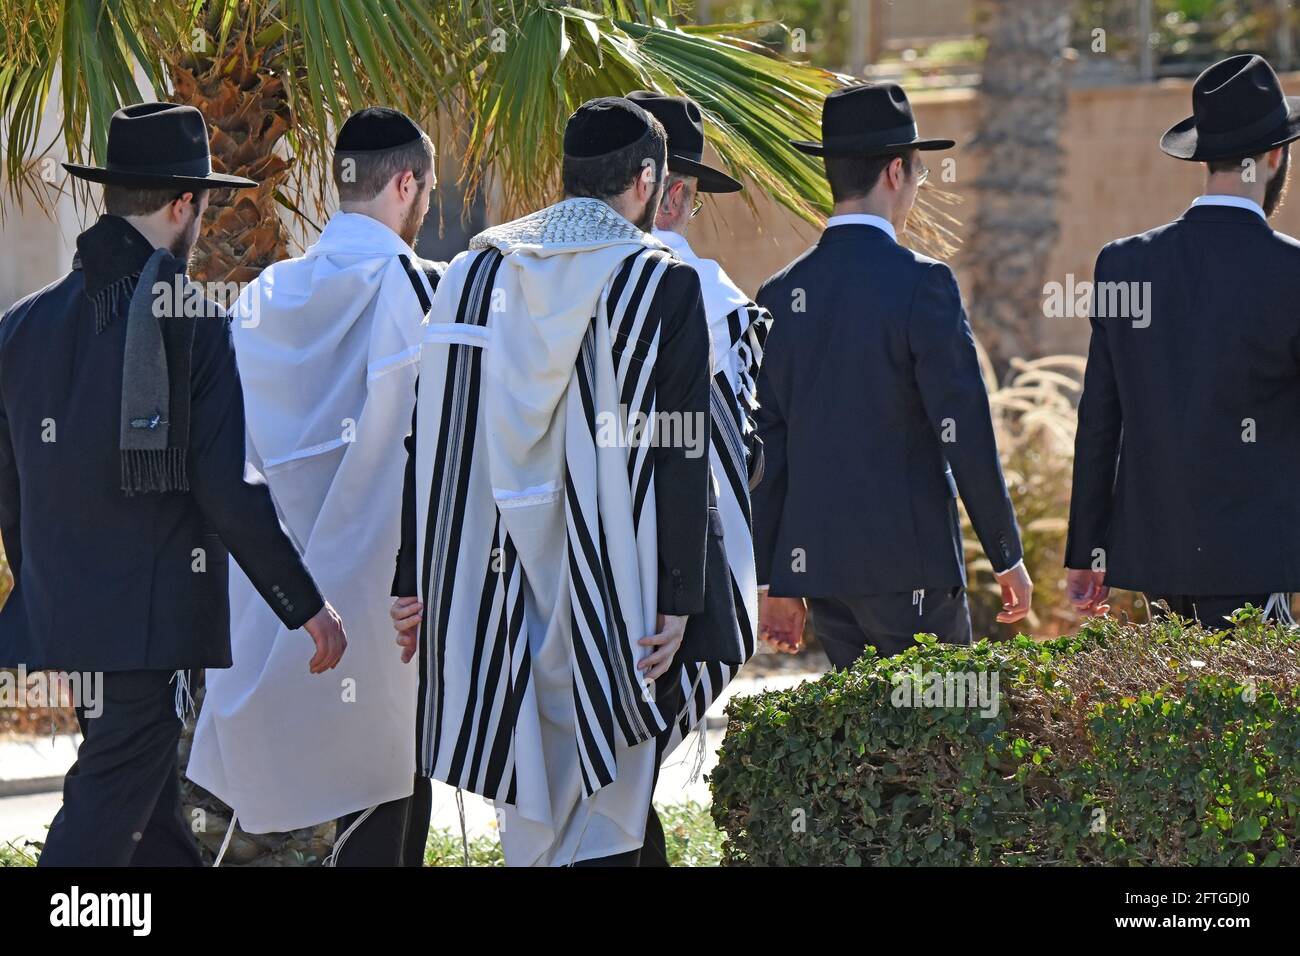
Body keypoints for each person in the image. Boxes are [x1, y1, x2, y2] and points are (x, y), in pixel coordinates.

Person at [0, 103, 346, 867]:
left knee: (151, 823)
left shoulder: (19, 329)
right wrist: (306, 604)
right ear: (184, 204)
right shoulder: (192, 319)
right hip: (145, 634)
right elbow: (227, 488)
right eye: (206, 203)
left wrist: (49, 592)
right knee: (98, 824)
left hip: (70, 623)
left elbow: (12, 496)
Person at [391, 96, 722, 866]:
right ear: (645, 179)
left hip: (493, 570)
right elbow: (682, 451)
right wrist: (681, 597)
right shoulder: (658, 281)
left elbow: (432, 428)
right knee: (612, 782)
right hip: (623, 579)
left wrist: (417, 575)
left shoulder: (475, 270)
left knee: (529, 778)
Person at [188, 108, 441, 866]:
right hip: (395, 613)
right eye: (427, 187)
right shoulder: (427, 293)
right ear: (406, 183)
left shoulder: (262, 298)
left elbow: (231, 462)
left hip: (271, 611)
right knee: (389, 810)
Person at [752, 83, 1032, 669]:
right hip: (913, 570)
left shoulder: (778, 294)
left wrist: (777, 580)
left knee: (869, 748)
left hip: (822, 571)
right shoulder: (922, 283)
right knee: (947, 743)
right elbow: (965, 430)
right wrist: (1005, 554)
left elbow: (771, 447)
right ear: (896, 172)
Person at [1067, 54, 1300, 627]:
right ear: (1274, 157)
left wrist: (1085, 551)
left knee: (1179, 716)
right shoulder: (1291, 271)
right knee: (1253, 719)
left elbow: (1099, 419)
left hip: (1157, 560)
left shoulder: (1123, 264)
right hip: (1258, 563)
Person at [622, 91, 764, 830]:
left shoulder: (542, 277)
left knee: (609, 781)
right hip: (688, 579)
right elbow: (732, 457)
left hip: (579, 566)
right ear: (673, 192)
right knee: (625, 783)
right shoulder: (717, 302)